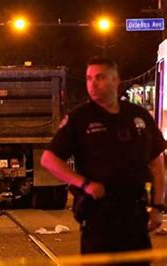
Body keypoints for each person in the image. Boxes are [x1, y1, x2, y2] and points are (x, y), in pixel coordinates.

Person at [41, 57, 165, 260]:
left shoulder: (138, 116)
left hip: (135, 215)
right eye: (89, 78)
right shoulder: (80, 118)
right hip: (98, 217)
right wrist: (84, 184)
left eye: (99, 77)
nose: (93, 84)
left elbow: (156, 162)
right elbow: (49, 159)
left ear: (116, 80)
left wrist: (158, 206)